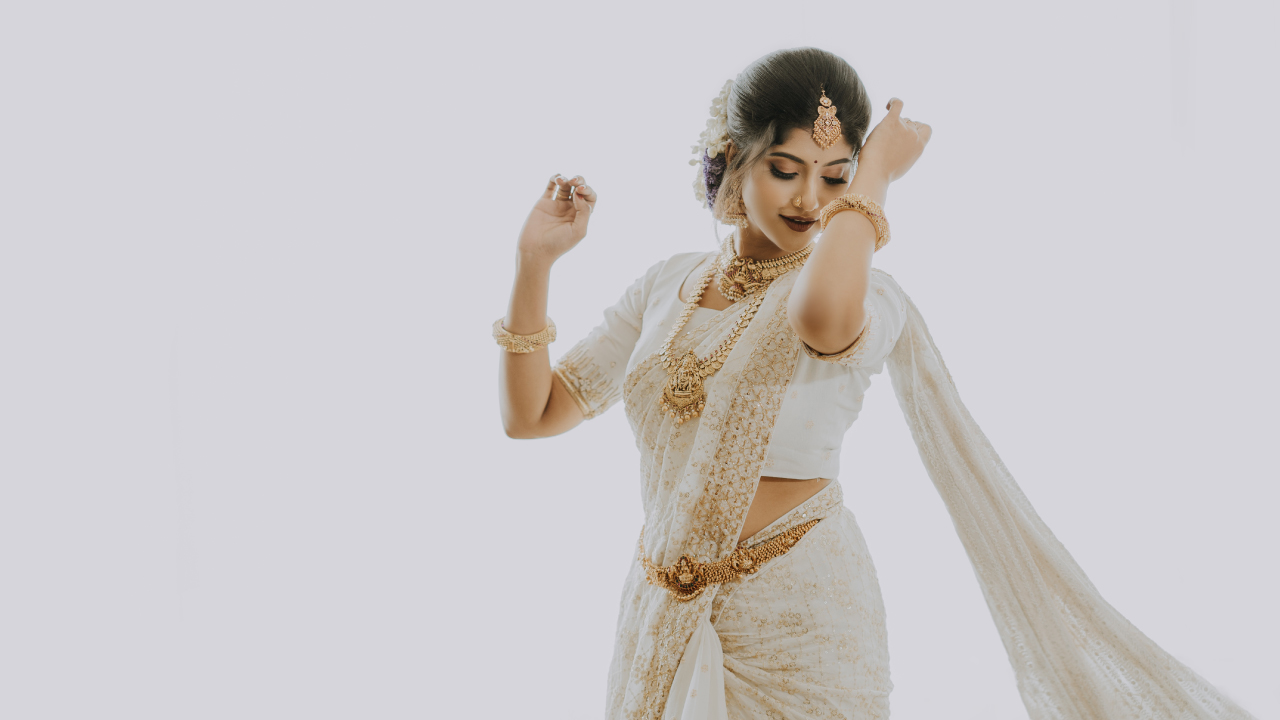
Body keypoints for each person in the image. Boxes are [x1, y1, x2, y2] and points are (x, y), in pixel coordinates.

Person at [494, 47, 1256, 720]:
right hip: (661, 618)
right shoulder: (668, 285)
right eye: (785, 170)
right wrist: (536, 262)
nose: (810, 200)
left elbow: (821, 318)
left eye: (836, 176)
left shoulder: (865, 295)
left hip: (799, 624)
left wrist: (880, 174)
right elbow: (534, 413)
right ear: (733, 158)